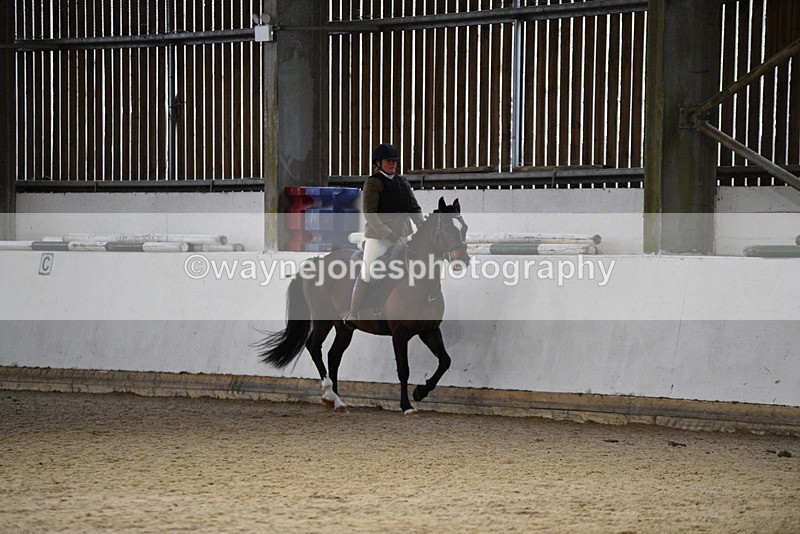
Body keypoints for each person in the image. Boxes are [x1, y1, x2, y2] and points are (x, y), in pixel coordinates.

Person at [343, 143, 424, 327]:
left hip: (402, 235)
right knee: (368, 272)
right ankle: (353, 312)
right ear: (378, 163)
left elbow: (414, 207)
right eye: (389, 161)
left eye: (395, 161)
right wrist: (388, 234)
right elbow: (370, 213)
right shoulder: (373, 183)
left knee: (412, 269)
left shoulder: (402, 182)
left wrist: (421, 225)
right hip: (378, 238)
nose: (393, 164)